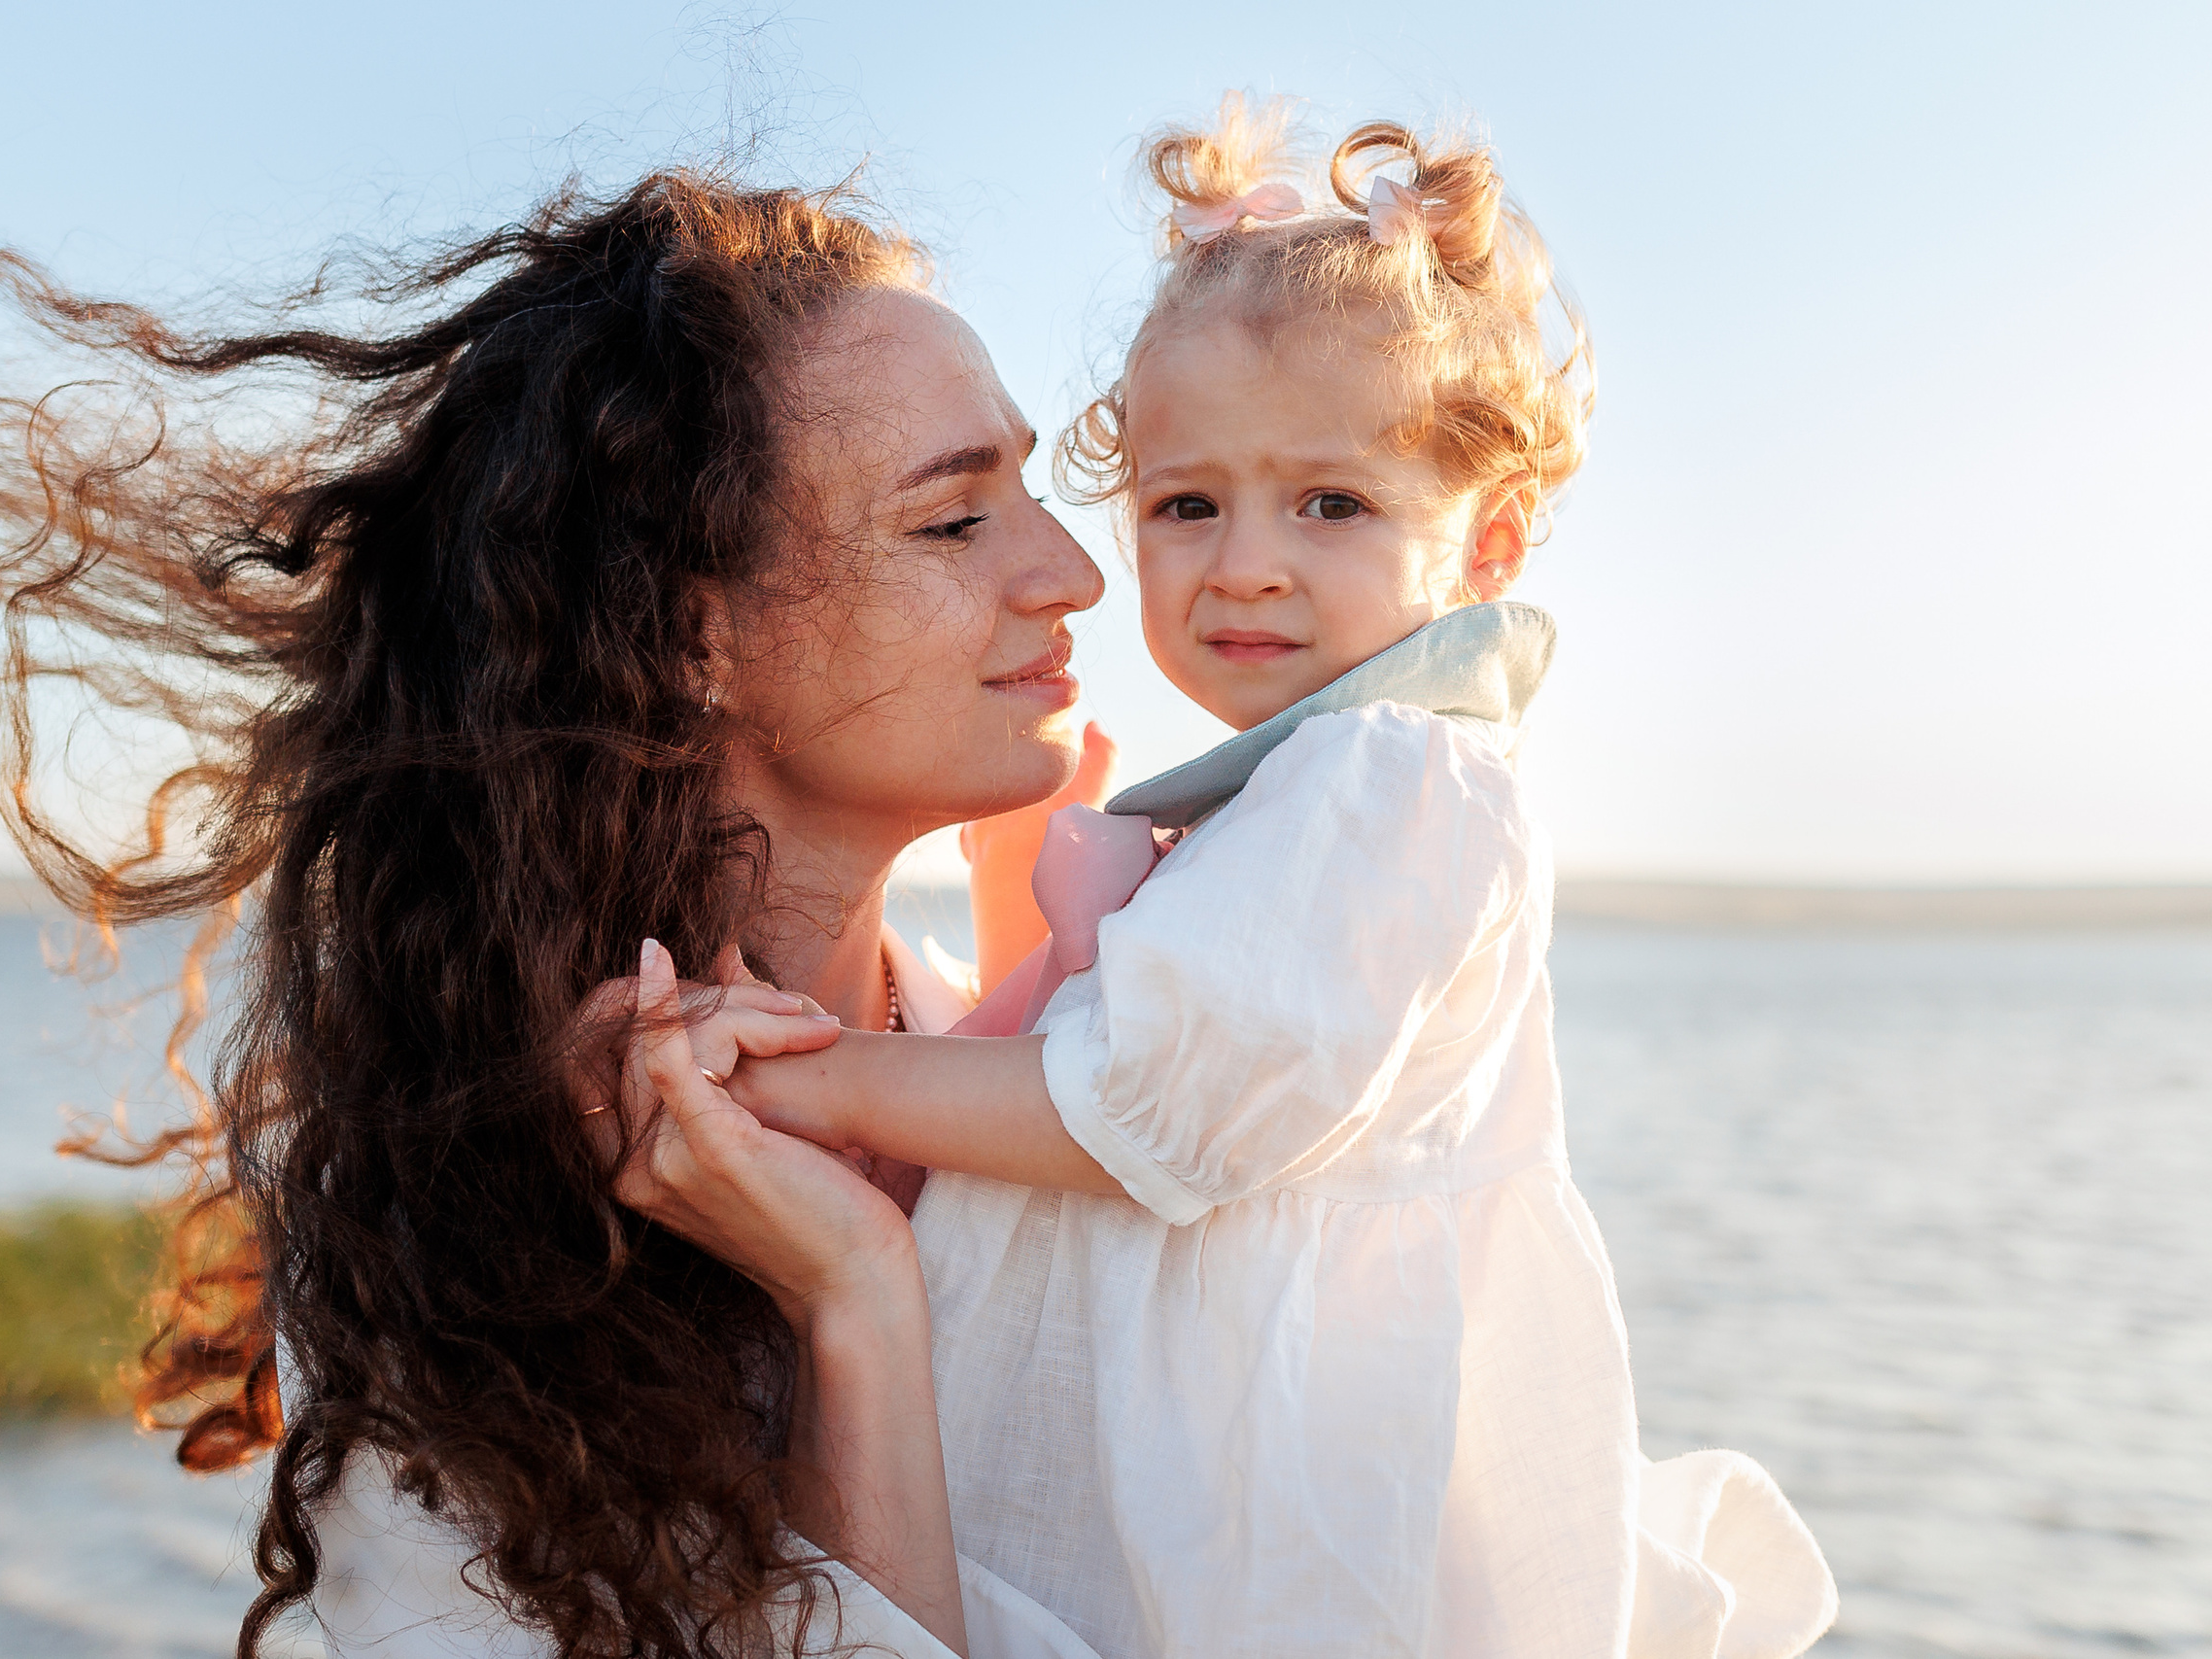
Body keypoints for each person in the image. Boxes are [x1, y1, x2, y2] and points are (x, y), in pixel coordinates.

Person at [0, 84, 1106, 1656]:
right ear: (688, 634)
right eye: (954, 520)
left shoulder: (1104, 1074)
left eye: (1033, 487)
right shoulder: (466, 1278)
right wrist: (853, 1306)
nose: (1071, 572)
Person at [715, 98, 1841, 1658]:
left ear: (1490, 543)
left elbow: (1142, 1114)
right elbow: (1136, 1046)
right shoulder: (1302, 790)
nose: (1242, 562)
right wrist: (1026, 907)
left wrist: (824, 1080)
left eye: (1331, 503)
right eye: (1188, 504)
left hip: (1267, 1508)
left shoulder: (1395, 781)